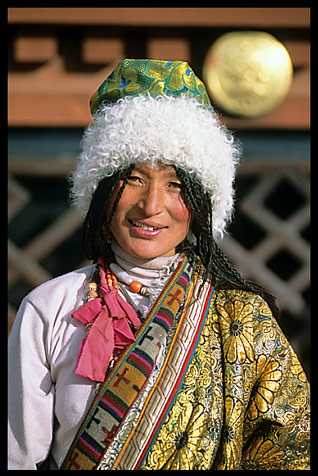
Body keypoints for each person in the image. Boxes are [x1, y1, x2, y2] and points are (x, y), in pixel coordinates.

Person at [8, 59, 310, 470]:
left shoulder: (240, 317)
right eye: (132, 178)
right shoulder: (49, 307)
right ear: (100, 189)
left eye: (175, 184)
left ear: (203, 203)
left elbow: (289, 453)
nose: (151, 206)